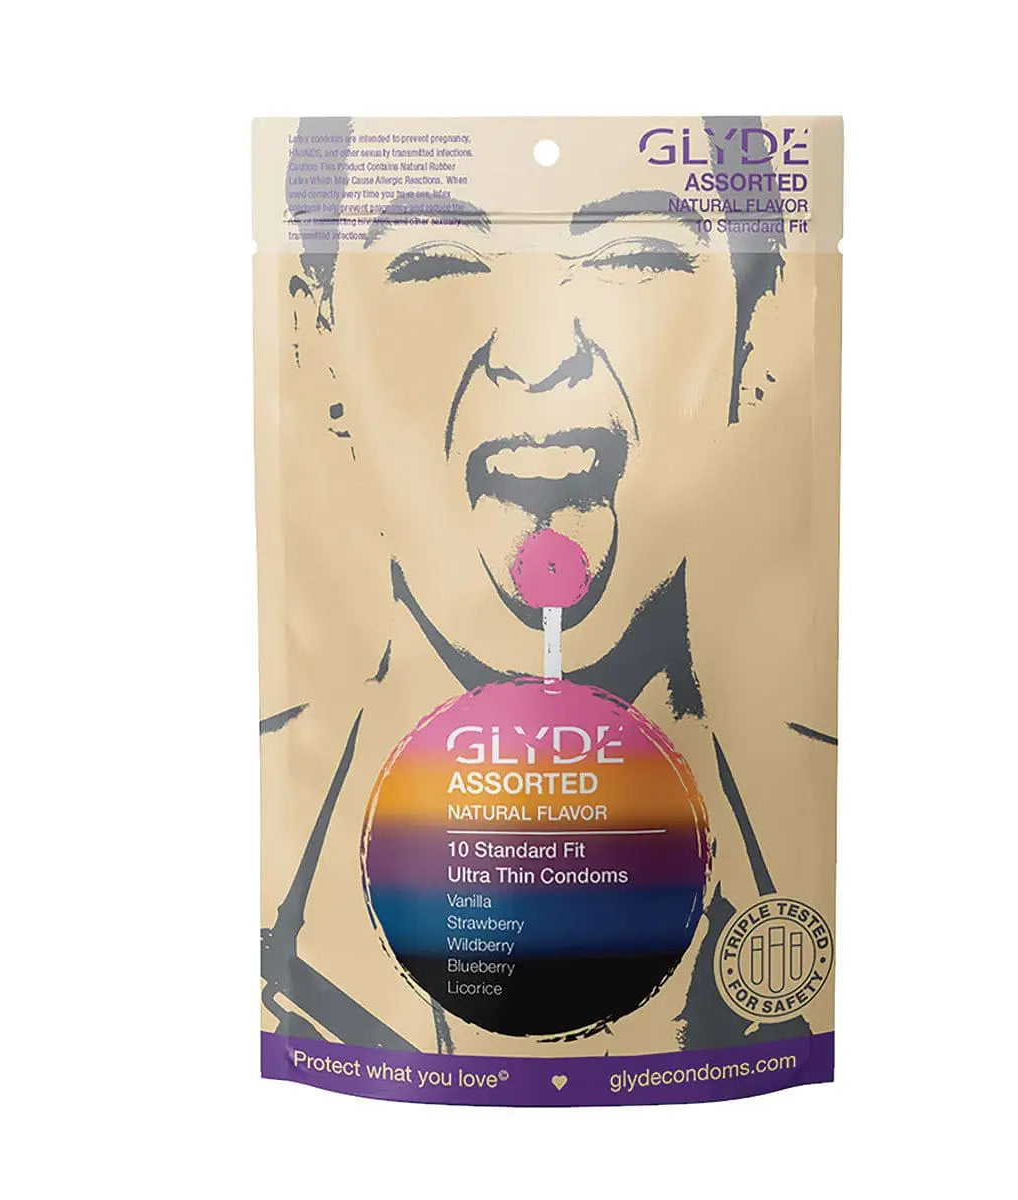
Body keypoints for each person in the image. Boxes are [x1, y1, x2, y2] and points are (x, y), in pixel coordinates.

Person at [260, 116, 835, 1055]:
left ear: (757, 333)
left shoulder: (827, 806)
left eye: (638, 253)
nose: (535, 351)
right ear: (312, 339)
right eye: (434, 261)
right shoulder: (254, 827)